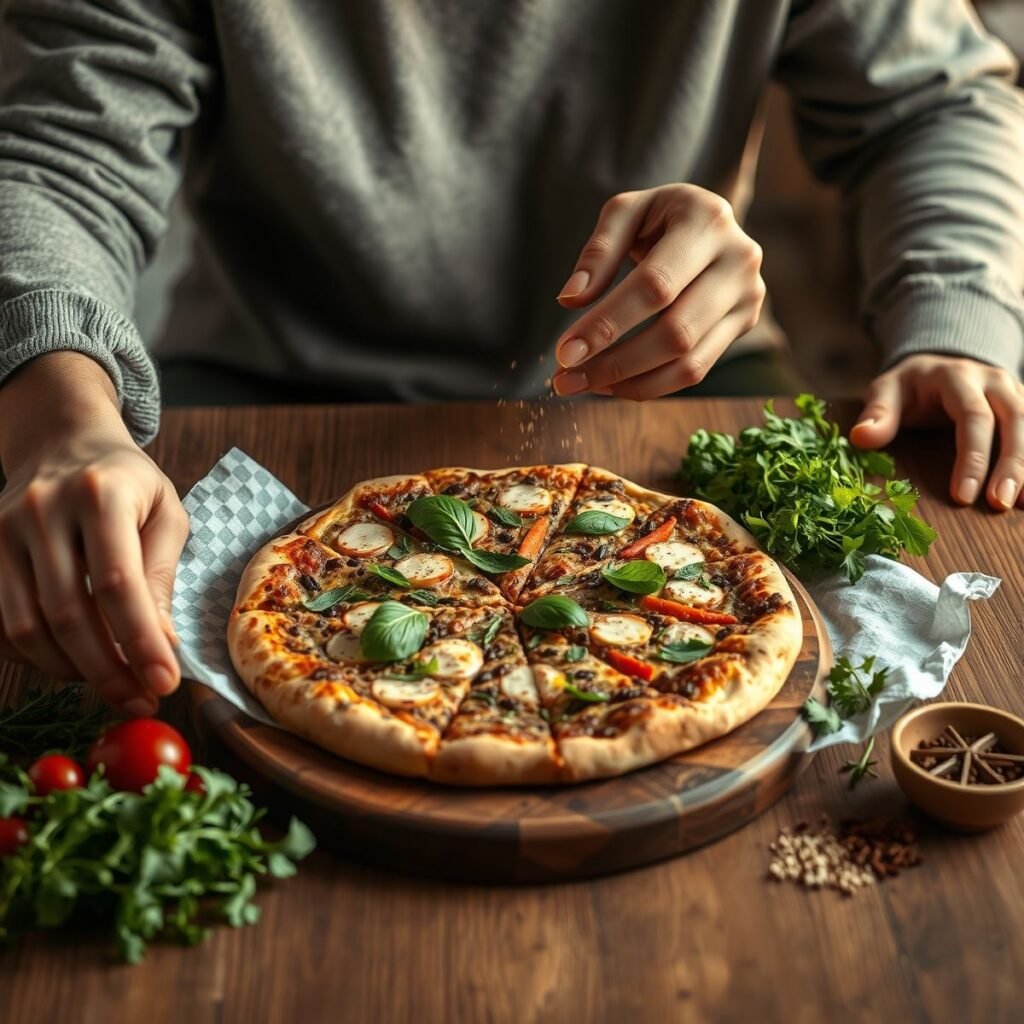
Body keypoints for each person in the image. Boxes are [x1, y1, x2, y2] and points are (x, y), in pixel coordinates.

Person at [0, 1, 1021, 717]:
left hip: (673, 370)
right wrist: (63, 413)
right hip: (269, 372)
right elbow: (56, 149)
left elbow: (932, 103)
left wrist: (953, 318)